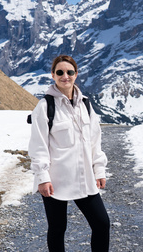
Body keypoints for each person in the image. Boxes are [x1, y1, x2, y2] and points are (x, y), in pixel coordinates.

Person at [28, 55, 110, 252]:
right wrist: (42, 177)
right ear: (53, 75)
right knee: (57, 228)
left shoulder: (86, 105)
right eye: (60, 72)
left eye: (69, 72)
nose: (65, 76)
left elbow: (94, 141)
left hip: (84, 178)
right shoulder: (45, 106)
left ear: (76, 74)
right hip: (56, 181)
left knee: (102, 224)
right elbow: (38, 146)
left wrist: (99, 169)